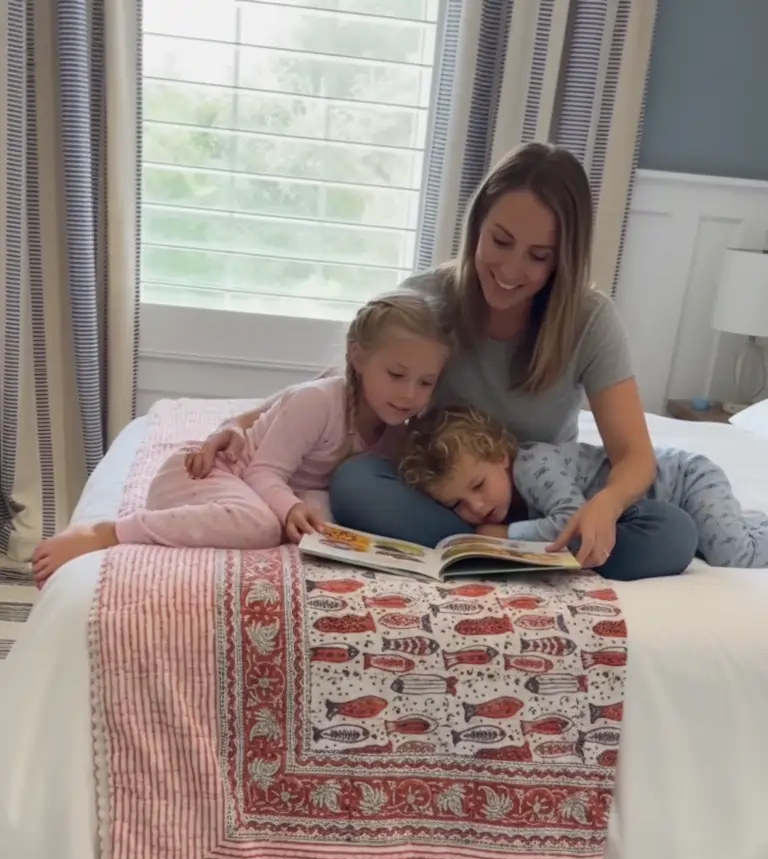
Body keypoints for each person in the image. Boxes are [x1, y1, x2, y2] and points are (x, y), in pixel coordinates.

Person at [328, 142, 698, 580]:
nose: (510, 269)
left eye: (538, 256)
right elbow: (353, 384)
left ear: (562, 260)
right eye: (500, 241)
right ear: (478, 226)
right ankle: (503, 551)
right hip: (451, 496)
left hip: (550, 504)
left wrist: (605, 504)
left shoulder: (589, 320)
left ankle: (487, 546)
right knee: (355, 482)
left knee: (672, 532)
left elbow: (634, 456)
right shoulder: (429, 298)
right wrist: (247, 427)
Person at [31, 291, 452, 583]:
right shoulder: (320, 402)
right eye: (397, 375)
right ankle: (107, 532)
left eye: (426, 382)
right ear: (359, 357)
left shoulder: (397, 429)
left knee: (330, 524)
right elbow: (264, 471)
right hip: (207, 475)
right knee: (262, 527)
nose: (409, 394)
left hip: (263, 485)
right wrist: (286, 508)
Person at [400, 404, 767, 572]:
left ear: (500, 455)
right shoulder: (502, 491)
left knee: (734, 556)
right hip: (662, 508)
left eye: (478, 485)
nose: (476, 507)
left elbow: (573, 521)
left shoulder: (531, 467)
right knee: (715, 539)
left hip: (685, 480)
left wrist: (504, 534)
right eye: (458, 504)